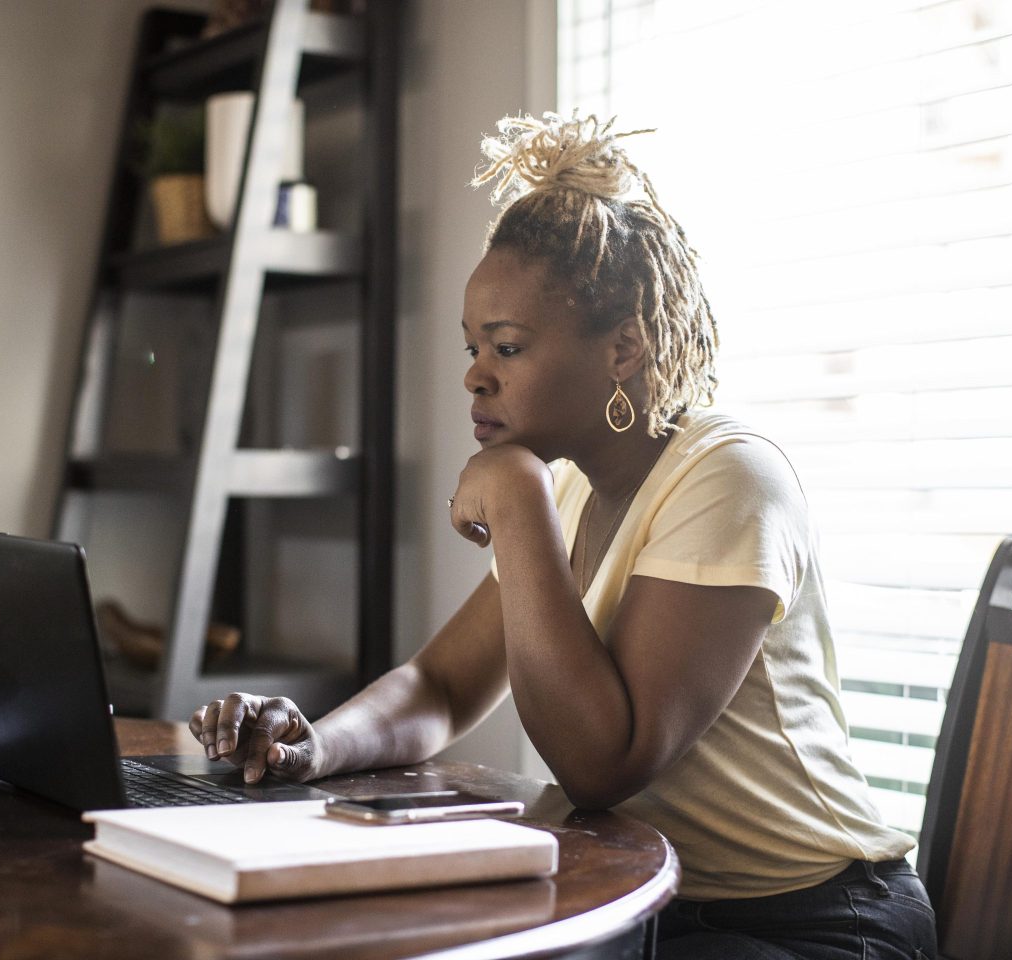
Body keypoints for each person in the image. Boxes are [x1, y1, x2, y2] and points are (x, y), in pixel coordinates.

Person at [191, 113, 937, 959]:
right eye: (474, 346)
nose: (475, 373)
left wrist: (514, 496)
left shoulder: (728, 479)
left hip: (815, 923)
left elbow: (602, 764)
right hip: (653, 906)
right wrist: (316, 744)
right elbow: (439, 685)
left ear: (623, 348)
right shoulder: (574, 482)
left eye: (507, 346)